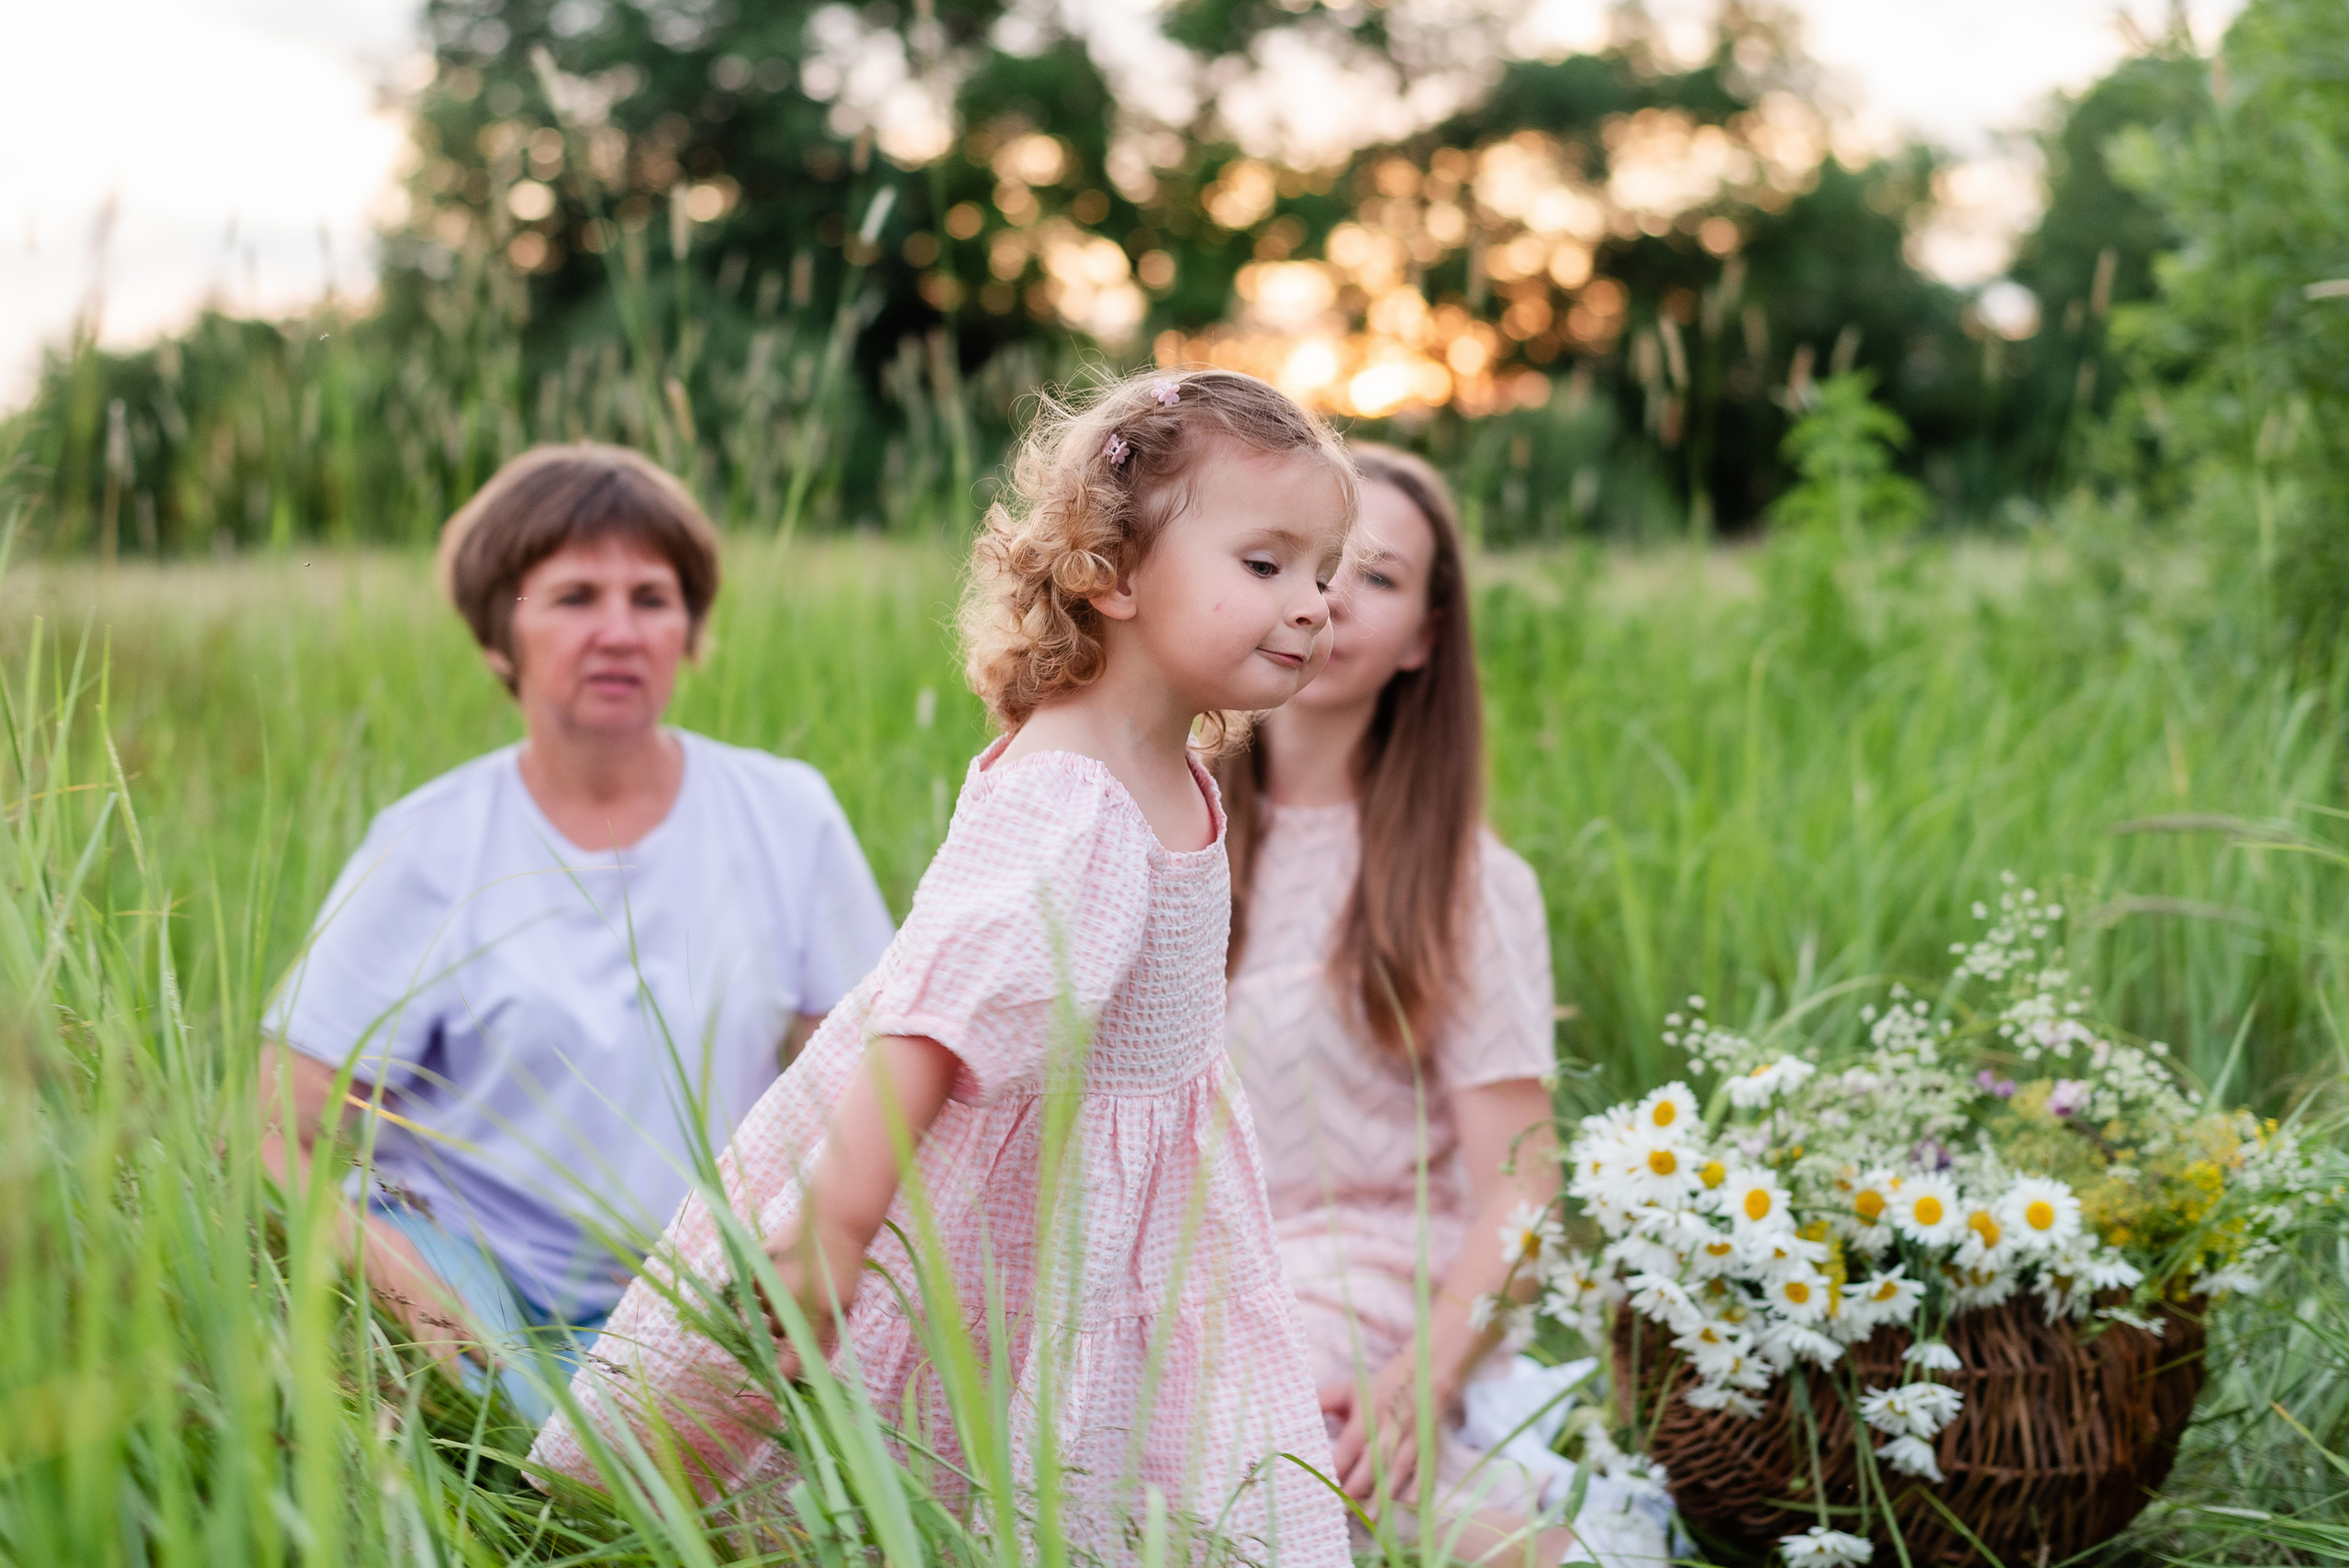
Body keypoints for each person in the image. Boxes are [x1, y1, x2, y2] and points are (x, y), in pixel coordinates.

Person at [531, 370, 1357, 1565]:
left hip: (1120, 1204)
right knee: (932, 1456)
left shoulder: (1168, 764)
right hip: (994, 1181)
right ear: (1111, 574)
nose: (1312, 605)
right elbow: (934, 1015)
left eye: (1324, 572)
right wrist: (837, 1218)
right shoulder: (1076, 793)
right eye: (1266, 564)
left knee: (1101, 1458)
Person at [258, 443, 896, 1422]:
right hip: (475, 1266)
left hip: (704, 1278)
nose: (618, 631)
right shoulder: (431, 843)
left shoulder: (786, 813)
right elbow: (278, 1127)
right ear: (497, 634)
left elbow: (871, 1077)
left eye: (651, 597)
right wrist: (397, 1280)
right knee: (552, 1458)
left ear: (690, 630)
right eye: (573, 597)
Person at [1217, 445, 1576, 1562]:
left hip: (1366, 1278)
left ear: (1424, 636)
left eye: (1374, 576)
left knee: (1252, 1435)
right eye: (1299, 560)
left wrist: (1417, 1374)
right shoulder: (1155, 833)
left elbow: (1521, 1178)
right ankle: (1496, 1532)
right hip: (1182, 1267)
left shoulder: (1468, 882)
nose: (1324, 599)